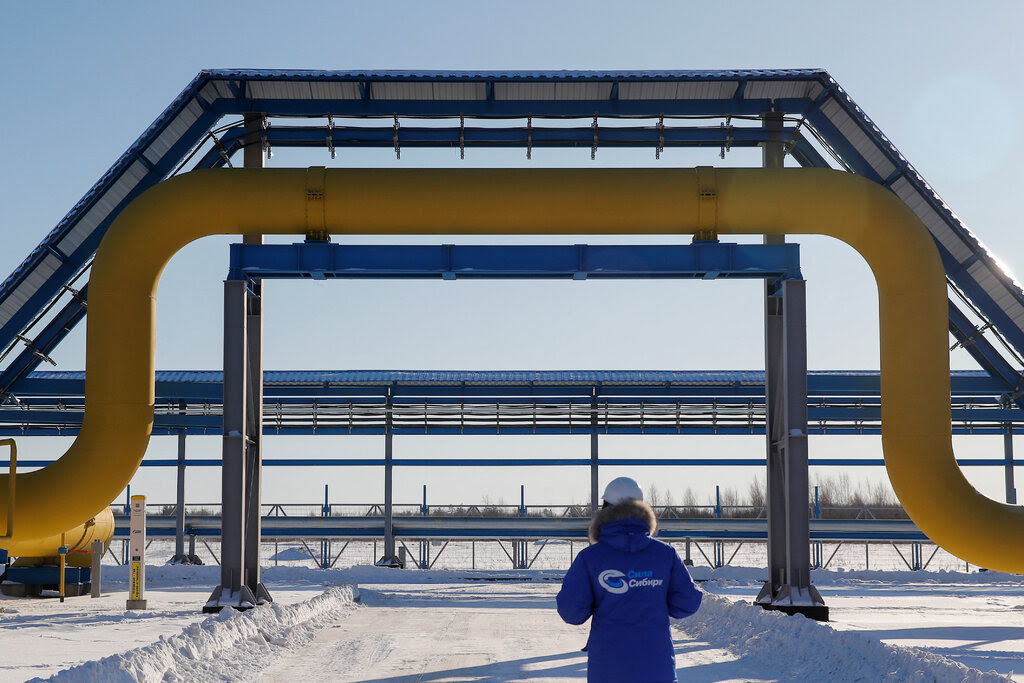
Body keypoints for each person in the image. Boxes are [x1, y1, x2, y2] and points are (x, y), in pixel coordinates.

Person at [556, 477, 702, 683]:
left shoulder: (590, 558)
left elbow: (571, 612)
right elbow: (688, 602)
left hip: (607, 670)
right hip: (657, 670)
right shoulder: (665, 554)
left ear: (605, 509)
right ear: (642, 508)